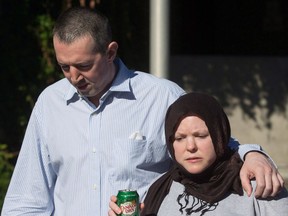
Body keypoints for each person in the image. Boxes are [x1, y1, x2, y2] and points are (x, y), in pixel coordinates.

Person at [1, 7, 284, 216]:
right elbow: (27, 199)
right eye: (64, 67)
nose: (73, 77)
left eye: (84, 66)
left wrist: (252, 154)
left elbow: (216, 144)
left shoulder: (161, 96)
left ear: (110, 52)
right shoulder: (50, 103)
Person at [109, 92, 288, 216]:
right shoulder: (160, 189)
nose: (190, 146)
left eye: (200, 136)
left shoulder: (258, 183)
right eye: (179, 138)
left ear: (220, 135)